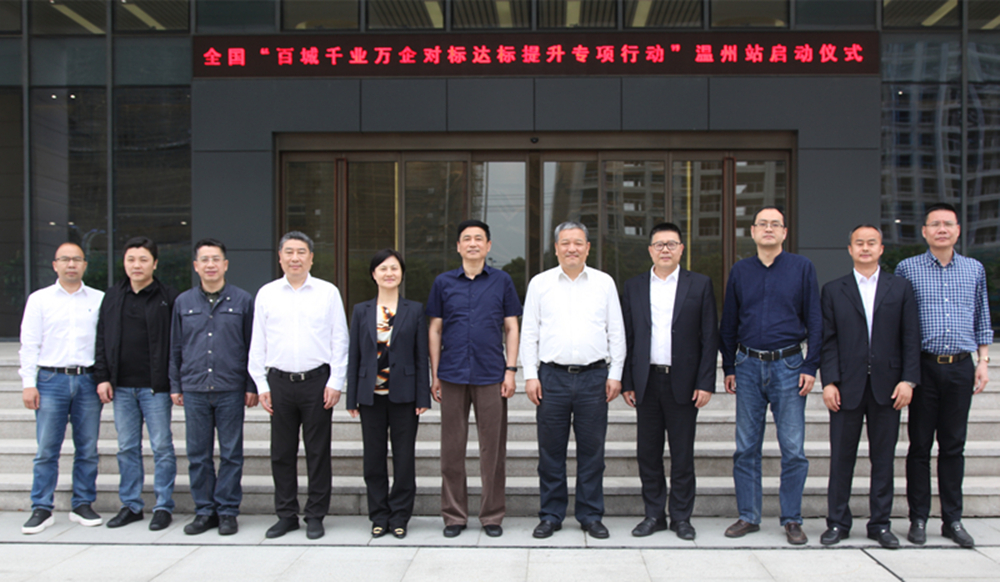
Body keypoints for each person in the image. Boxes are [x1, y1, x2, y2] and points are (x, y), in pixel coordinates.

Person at [719, 206, 821, 546]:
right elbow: (729, 322)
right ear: (752, 232)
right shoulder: (740, 270)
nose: (768, 229)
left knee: (793, 449)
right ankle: (748, 516)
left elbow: (816, 320)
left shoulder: (801, 267)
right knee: (746, 447)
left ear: (784, 232)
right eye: (762, 224)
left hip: (789, 366)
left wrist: (810, 366)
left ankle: (792, 519)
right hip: (747, 365)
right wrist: (729, 367)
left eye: (775, 224)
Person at [895, 202, 993, 548]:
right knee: (920, 445)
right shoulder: (908, 268)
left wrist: (983, 361)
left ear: (957, 230)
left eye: (947, 224)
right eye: (934, 224)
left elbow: (982, 316)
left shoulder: (974, 269)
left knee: (953, 445)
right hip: (922, 366)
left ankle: (952, 519)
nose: (941, 229)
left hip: (961, 367)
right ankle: (918, 518)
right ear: (924, 231)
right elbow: (900, 322)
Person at [519, 221, 626, 540]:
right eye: (565, 243)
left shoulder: (604, 283)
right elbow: (529, 333)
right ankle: (551, 515)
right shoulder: (540, 284)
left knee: (592, 452)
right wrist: (530, 375)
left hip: (595, 378)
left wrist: (616, 373)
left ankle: (590, 515)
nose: (572, 249)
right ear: (556, 248)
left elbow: (616, 331)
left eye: (578, 243)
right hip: (551, 378)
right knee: (550, 452)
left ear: (588, 247)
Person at [819, 225, 920, 549]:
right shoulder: (833, 290)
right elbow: (828, 341)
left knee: (883, 459)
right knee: (841, 459)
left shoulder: (900, 288)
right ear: (850, 249)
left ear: (881, 249)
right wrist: (829, 382)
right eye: (859, 243)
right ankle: (837, 522)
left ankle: (880, 524)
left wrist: (908, 380)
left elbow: (911, 337)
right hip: (846, 387)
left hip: (888, 387)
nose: (865, 248)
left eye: (871, 243)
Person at [621, 223, 719, 540]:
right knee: (648, 454)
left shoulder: (700, 284)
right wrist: (627, 381)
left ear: (681, 249)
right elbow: (627, 337)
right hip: (647, 382)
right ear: (650, 250)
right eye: (659, 244)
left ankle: (681, 517)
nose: (665, 249)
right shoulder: (634, 286)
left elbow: (709, 337)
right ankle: (654, 514)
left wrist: (705, 382)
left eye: (671, 244)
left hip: (684, 383)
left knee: (682, 455)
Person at [248, 231, 349, 540]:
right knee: (281, 453)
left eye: (301, 252)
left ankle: (315, 515)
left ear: (311, 258)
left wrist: (336, 381)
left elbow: (340, 340)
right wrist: (261, 384)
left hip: (317, 382)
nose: (295, 258)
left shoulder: (327, 292)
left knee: (318, 452)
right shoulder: (267, 293)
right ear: (280, 257)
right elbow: (257, 342)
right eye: (289, 252)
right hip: (278, 383)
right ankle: (286, 515)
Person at [426, 220, 521, 539]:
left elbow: (511, 327)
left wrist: (511, 370)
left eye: (479, 238)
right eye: (466, 238)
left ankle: (492, 514)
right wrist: (435, 374)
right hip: (452, 374)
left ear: (488, 245)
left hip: (491, 374)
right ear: (458, 246)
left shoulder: (502, 281)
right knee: (452, 449)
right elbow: (435, 329)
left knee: (492, 450)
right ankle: (454, 515)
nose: (473, 243)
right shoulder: (443, 282)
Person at [169, 238, 257, 536]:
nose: (210, 265)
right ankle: (205, 511)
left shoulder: (243, 300)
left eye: (215, 259)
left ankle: (228, 511)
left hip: (231, 387)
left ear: (225, 264)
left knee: (231, 453)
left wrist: (251, 385)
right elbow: (175, 347)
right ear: (196, 266)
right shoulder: (183, 302)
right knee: (198, 454)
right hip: (194, 388)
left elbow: (252, 346)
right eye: (204, 260)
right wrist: (175, 384)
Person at [19, 242, 105, 534]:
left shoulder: (99, 299)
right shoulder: (39, 299)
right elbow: (29, 344)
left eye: (76, 259)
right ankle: (42, 507)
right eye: (65, 259)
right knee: (47, 449)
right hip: (50, 380)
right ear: (55, 265)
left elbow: (105, 344)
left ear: (85, 265)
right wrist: (28, 384)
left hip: (87, 380)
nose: (71, 264)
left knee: (87, 448)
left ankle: (82, 503)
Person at [94, 237, 179, 531]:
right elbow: (101, 338)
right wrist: (103, 377)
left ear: (155, 263)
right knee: (127, 447)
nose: (136, 265)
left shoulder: (168, 296)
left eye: (143, 259)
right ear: (124, 263)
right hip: (121, 387)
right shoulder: (113, 296)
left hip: (155, 387)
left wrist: (175, 382)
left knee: (162, 447)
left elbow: (176, 343)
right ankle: (131, 505)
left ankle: (163, 506)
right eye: (131, 259)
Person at [347, 249, 430, 540]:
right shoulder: (361, 310)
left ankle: (400, 516)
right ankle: (379, 515)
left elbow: (421, 356)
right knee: (374, 459)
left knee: (404, 459)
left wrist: (423, 397)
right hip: (370, 396)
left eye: (394, 268)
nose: (389, 273)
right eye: (383, 268)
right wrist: (351, 397)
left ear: (401, 274)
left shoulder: (414, 309)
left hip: (404, 397)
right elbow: (354, 355)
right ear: (374, 274)